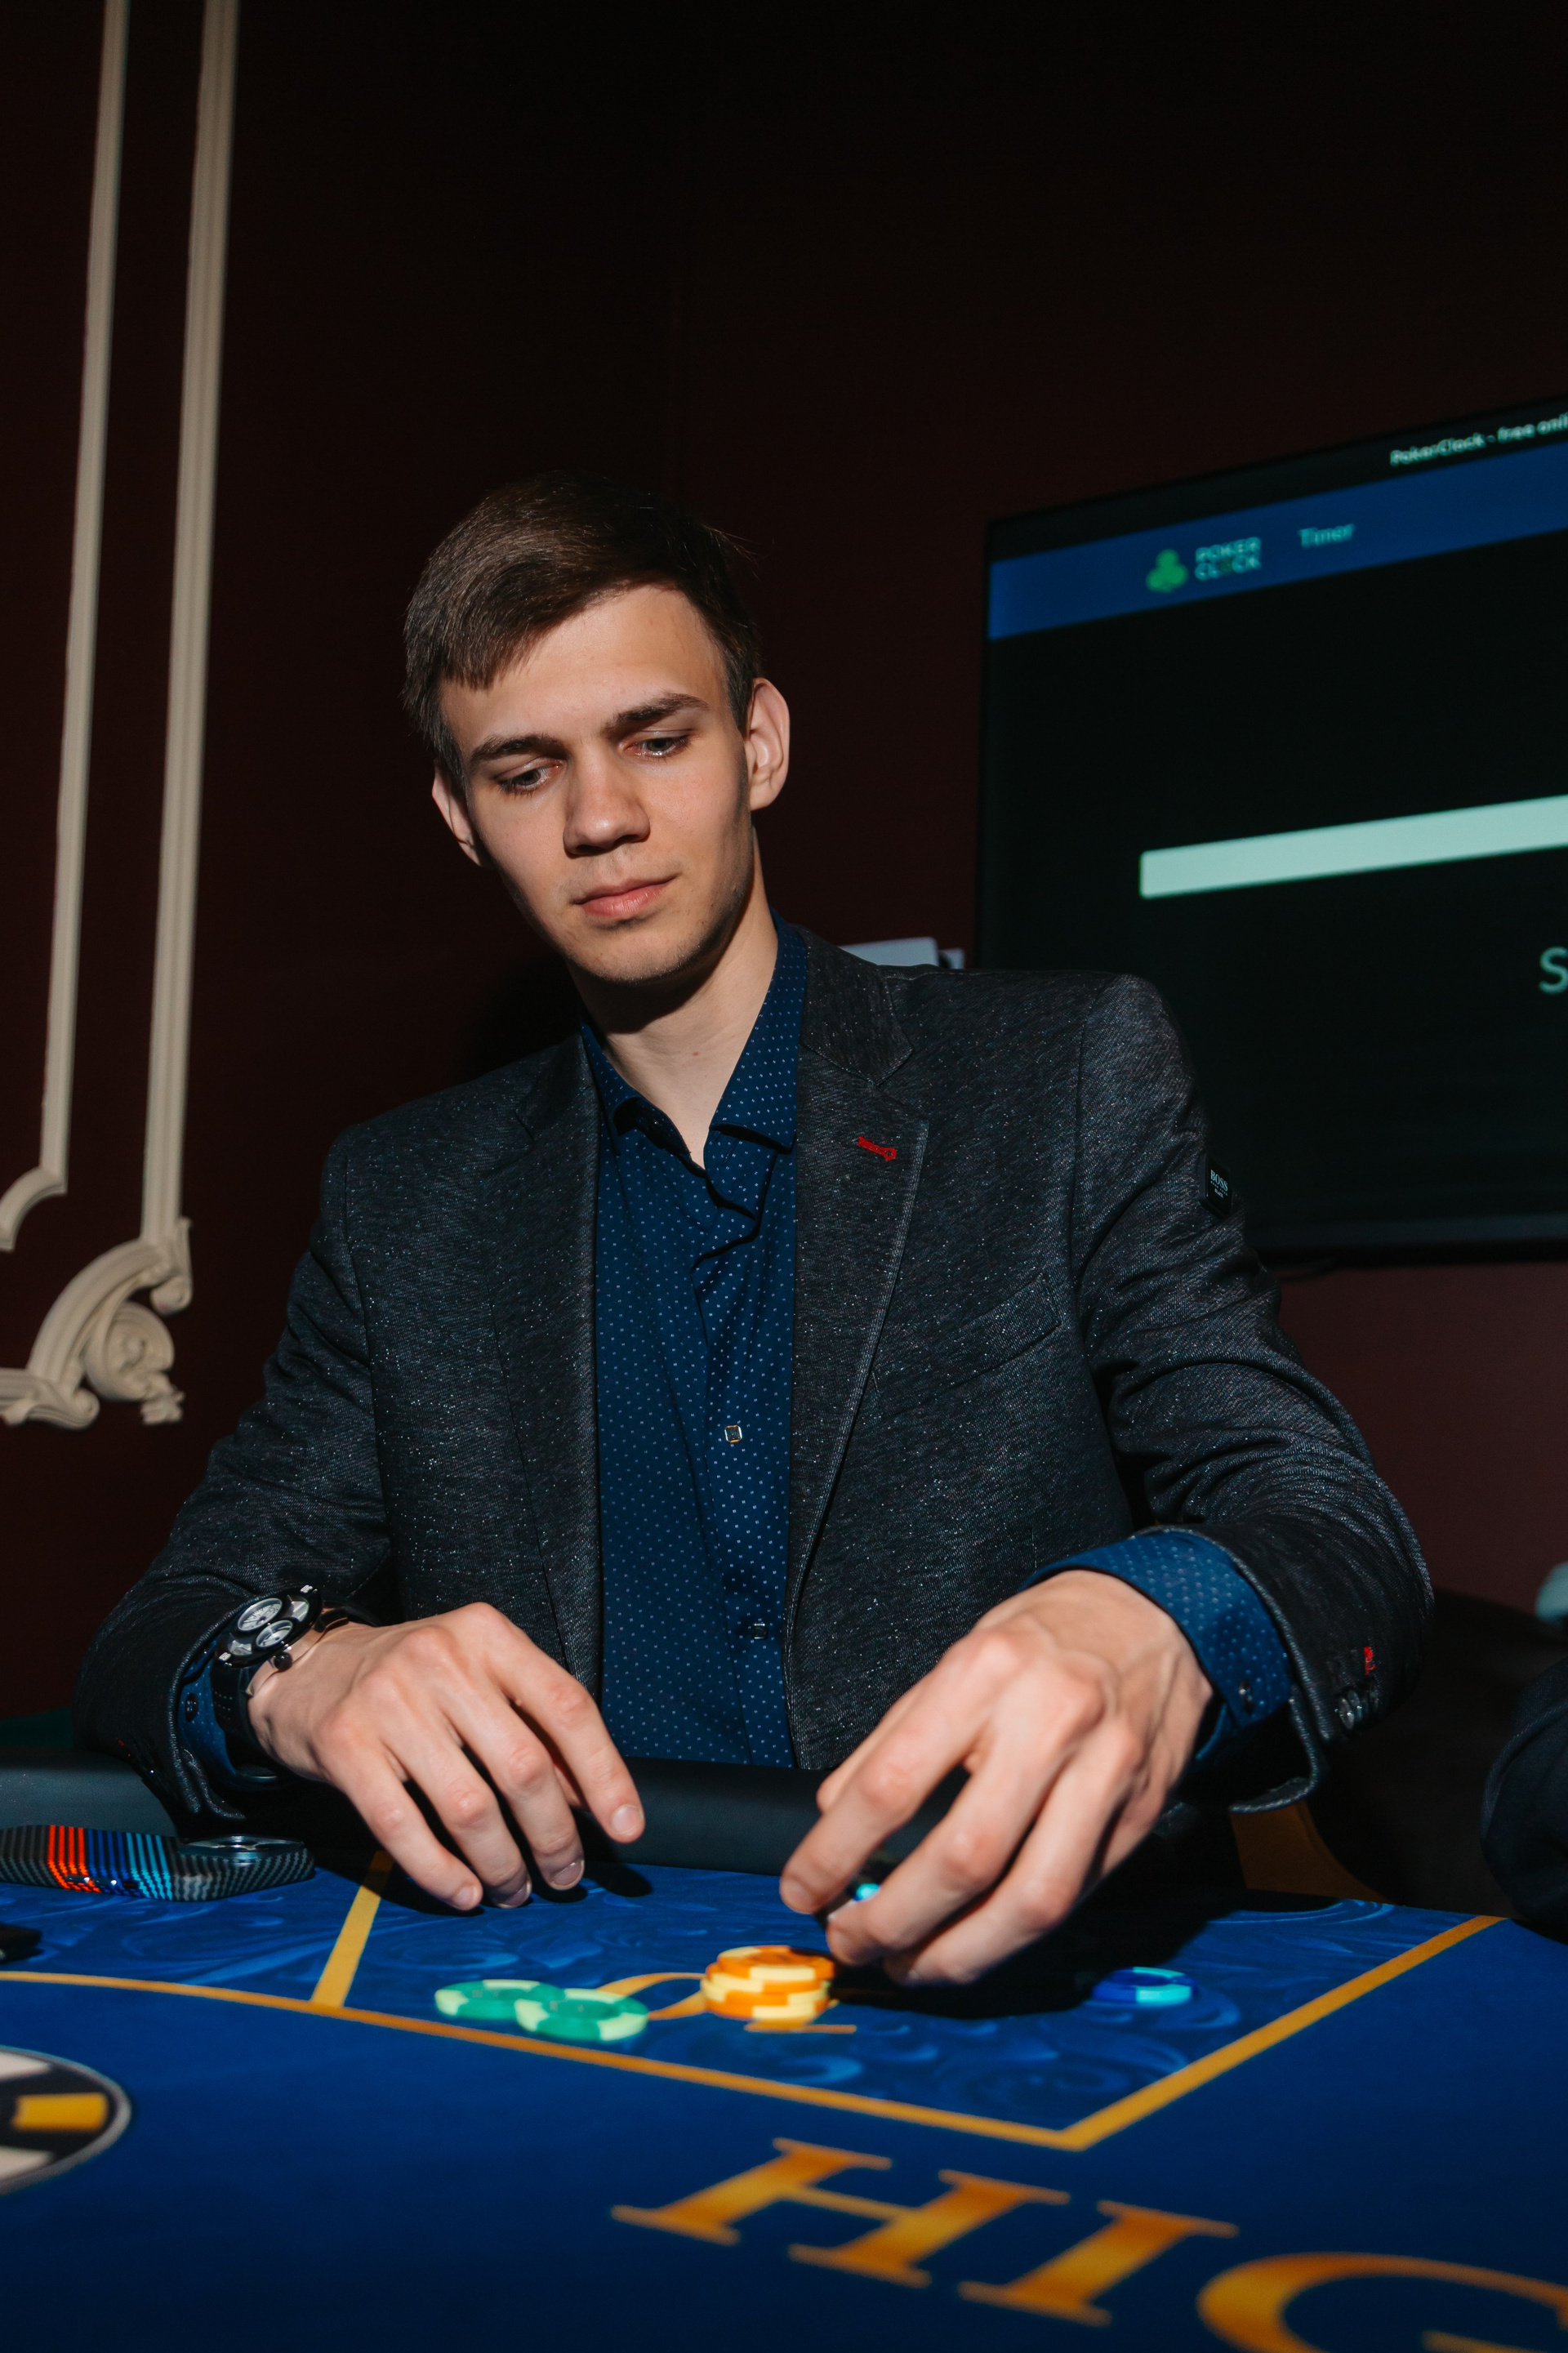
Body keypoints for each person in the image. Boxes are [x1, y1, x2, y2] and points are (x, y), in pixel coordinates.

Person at [77, 472, 1429, 1987]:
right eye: (526, 771)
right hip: (573, 1995)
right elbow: (164, 1623)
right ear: (460, 819)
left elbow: (1331, 1522)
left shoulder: (1060, 1077)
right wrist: (306, 1671)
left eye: (656, 738)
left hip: (1030, 1983)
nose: (602, 818)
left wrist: (1154, 1621)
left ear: (760, 743)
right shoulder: (405, 1199)